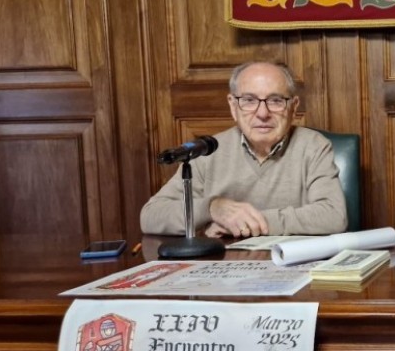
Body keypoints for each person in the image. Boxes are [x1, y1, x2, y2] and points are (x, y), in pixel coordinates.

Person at [140, 62, 347, 237]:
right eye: (249, 100)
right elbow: (151, 215)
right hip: (222, 273)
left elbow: (333, 215)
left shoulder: (313, 146)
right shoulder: (208, 151)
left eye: (275, 101)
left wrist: (244, 223)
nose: (263, 113)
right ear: (233, 106)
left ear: (293, 107)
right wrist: (213, 208)